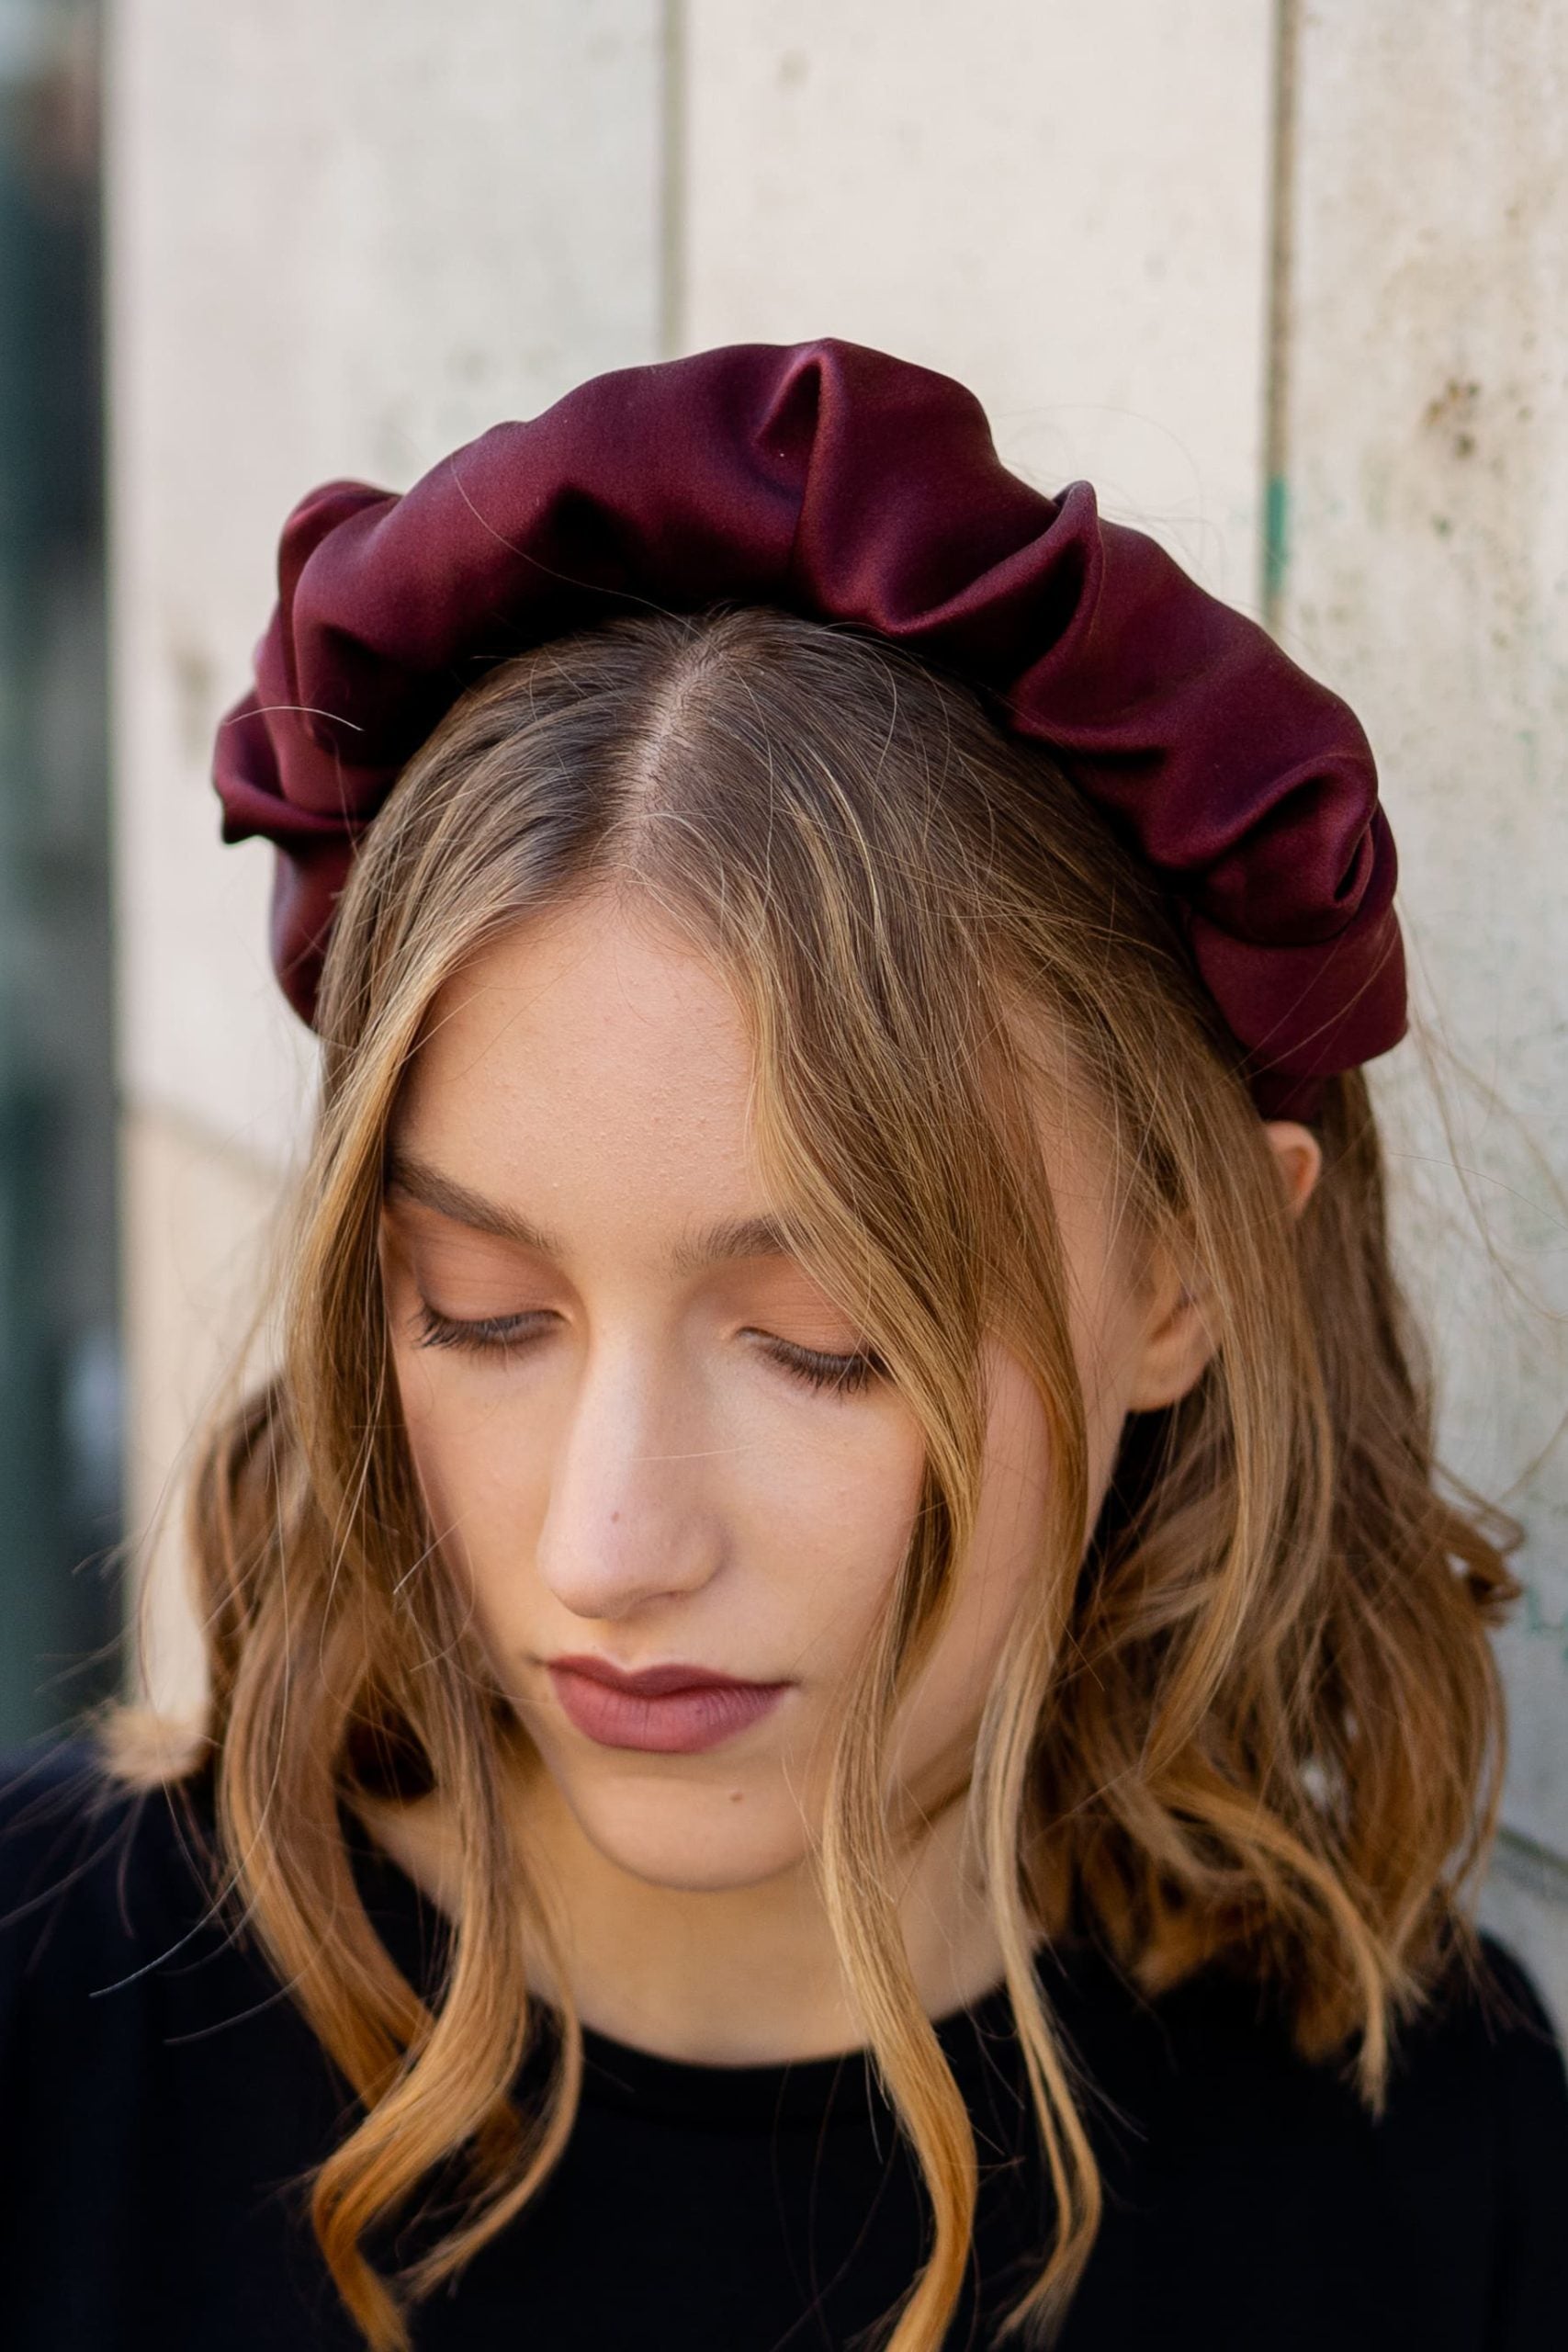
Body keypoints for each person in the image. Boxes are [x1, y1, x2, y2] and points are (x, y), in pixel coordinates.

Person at [1, 339, 1564, 2352]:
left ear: (1181, 1276)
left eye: (817, 1340)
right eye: (480, 1313)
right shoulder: (48, 2017)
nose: (607, 1542)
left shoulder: (1413, 2165)